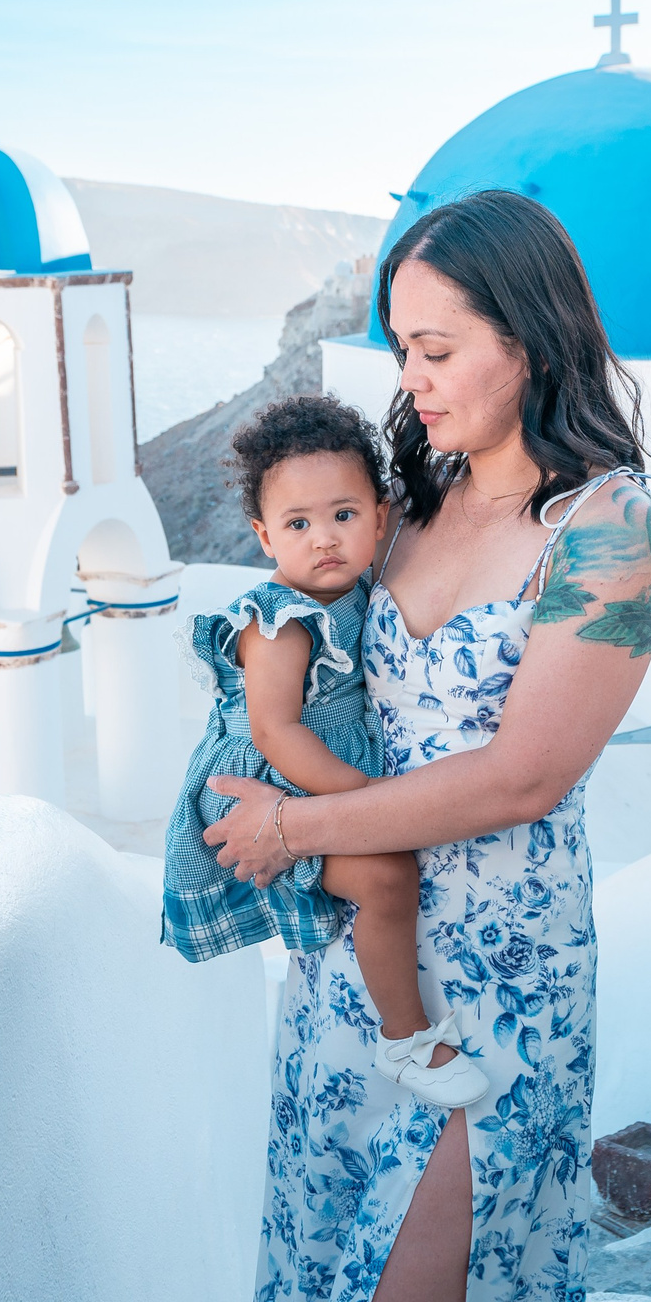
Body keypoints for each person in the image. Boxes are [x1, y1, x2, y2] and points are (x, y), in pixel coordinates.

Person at [207, 190, 651, 1302]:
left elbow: (526, 775)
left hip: (501, 993)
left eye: (437, 348)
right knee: (323, 1271)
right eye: (401, 348)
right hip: (359, 969)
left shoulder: (606, 528)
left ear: (529, 338)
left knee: (410, 1293)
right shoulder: (410, 499)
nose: (409, 377)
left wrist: (292, 827)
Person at [160, 394, 488, 1109]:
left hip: (312, 769)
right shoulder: (279, 621)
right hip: (268, 777)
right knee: (386, 877)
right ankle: (406, 1038)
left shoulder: (357, 579)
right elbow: (277, 732)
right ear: (264, 536)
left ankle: (403, 1028)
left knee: (389, 875)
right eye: (298, 524)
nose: (324, 539)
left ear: (377, 514)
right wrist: (368, 805)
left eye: (343, 516)